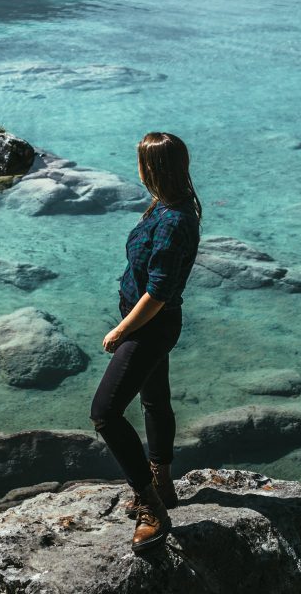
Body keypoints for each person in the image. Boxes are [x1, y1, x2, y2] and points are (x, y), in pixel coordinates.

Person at [90, 131, 202, 554]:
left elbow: (157, 292)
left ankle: (152, 506)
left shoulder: (174, 219)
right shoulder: (167, 204)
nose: (136, 167)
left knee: (104, 413)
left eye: (140, 161)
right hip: (148, 322)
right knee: (154, 400)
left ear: (152, 168)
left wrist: (121, 332)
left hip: (150, 326)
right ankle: (163, 483)